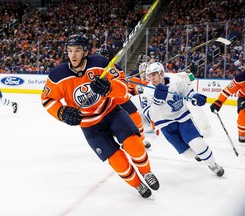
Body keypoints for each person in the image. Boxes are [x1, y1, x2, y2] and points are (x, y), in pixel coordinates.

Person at [40, 33, 159, 198]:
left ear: (86, 51)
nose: (73, 55)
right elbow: (47, 100)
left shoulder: (101, 64)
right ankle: (138, 184)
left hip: (111, 112)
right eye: (70, 51)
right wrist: (62, 112)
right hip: (89, 125)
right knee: (117, 160)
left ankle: (147, 173)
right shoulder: (57, 75)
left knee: (135, 145)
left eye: (77, 50)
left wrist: (109, 88)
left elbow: (123, 85)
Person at [141, 62, 224, 177]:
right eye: (149, 76)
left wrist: (195, 97)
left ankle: (213, 164)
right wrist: (158, 102)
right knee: (187, 154)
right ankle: (197, 154)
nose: (152, 78)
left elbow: (187, 92)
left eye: (154, 74)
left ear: (161, 73)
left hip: (182, 117)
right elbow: (151, 116)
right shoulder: (148, 92)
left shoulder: (175, 80)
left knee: (197, 143)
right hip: (165, 124)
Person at [210, 56, 245, 143]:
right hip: (244, 98)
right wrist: (219, 102)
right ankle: (241, 134)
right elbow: (227, 91)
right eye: (244, 65)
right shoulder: (239, 77)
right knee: (243, 114)